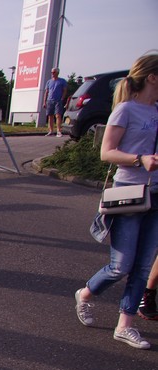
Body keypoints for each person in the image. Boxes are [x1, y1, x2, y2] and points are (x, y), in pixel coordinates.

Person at [74, 53, 158, 350]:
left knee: (143, 267)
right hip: (129, 192)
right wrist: (140, 159)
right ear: (152, 77)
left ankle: (125, 325)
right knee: (121, 266)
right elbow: (106, 152)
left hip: (156, 193)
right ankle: (86, 294)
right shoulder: (125, 109)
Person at [43, 67, 67, 137]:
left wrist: (62, 98)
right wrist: (44, 102)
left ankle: (58, 131)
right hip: (49, 100)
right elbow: (46, 92)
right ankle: (51, 131)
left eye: (54, 72)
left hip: (58, 100)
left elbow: (65, 90)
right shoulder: (49, 82)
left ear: (57, 73)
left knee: (58, 115)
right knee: (50, 116)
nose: (52, 74)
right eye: (52, 72)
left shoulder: (62, 81)